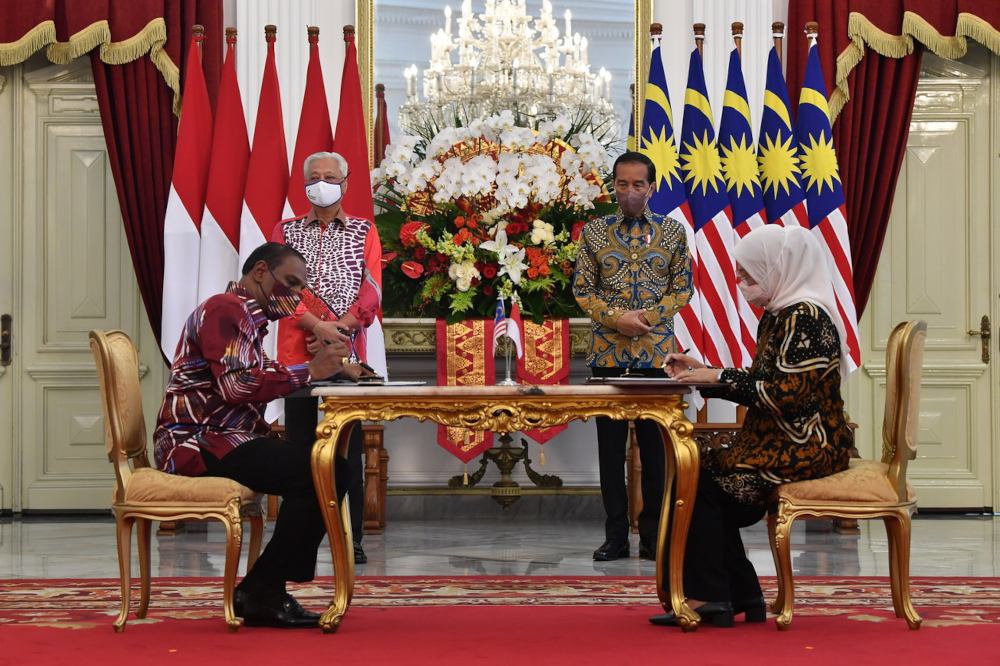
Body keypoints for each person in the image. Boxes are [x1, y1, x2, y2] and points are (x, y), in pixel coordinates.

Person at [649, 224, 855, 627]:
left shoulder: (806, 318)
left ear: (777, 267)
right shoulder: (780, 315)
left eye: (748, 272)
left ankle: (714, 596)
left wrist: (718, 378)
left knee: (702, 484)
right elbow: (767, 380)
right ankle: (737, 594)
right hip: (783, 441)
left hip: (808, 446)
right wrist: (707, 371)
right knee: (699, 474)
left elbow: (782, 396)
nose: (740, 280)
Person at [154, 242, 359, 629]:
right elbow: (237, 387)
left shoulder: (247, 318)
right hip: (197, 441)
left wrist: (329, 368)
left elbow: (259, 378)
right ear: (261, 272)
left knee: (327, 468)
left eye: (301, 288)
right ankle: (264, 589)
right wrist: (312, 371)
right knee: (327, 470)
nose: (297, 296)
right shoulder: (225, 309)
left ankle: (264, 588)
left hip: (224, 437)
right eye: (292, 283)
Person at [573, 151, 693, 562]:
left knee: (655, 452)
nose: (630, 191)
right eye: (622, 184)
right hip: (606, 356)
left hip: (656, 358)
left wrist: (647, 319)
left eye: (638, 184)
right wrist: (615, 319)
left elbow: (682, 289)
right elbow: (582, 289)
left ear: (651, 187)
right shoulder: (594, 232)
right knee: (610, 453)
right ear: (613, 186)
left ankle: (653, 535)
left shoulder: (672, 232)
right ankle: (615, 537)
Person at [271, 151, 382, 565]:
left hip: (347, 356)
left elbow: (372, 288)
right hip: (297, 355)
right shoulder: (284, 230)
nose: (323, 183)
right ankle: (299, 538)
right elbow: (278, 289)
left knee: (346, 451)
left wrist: (342, 329)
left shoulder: (365, 230)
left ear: (345, 183)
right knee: (300, 450)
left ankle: (351, 539)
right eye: (315, 176)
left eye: (331, 177)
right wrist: (317, 326)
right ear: (304, 184)